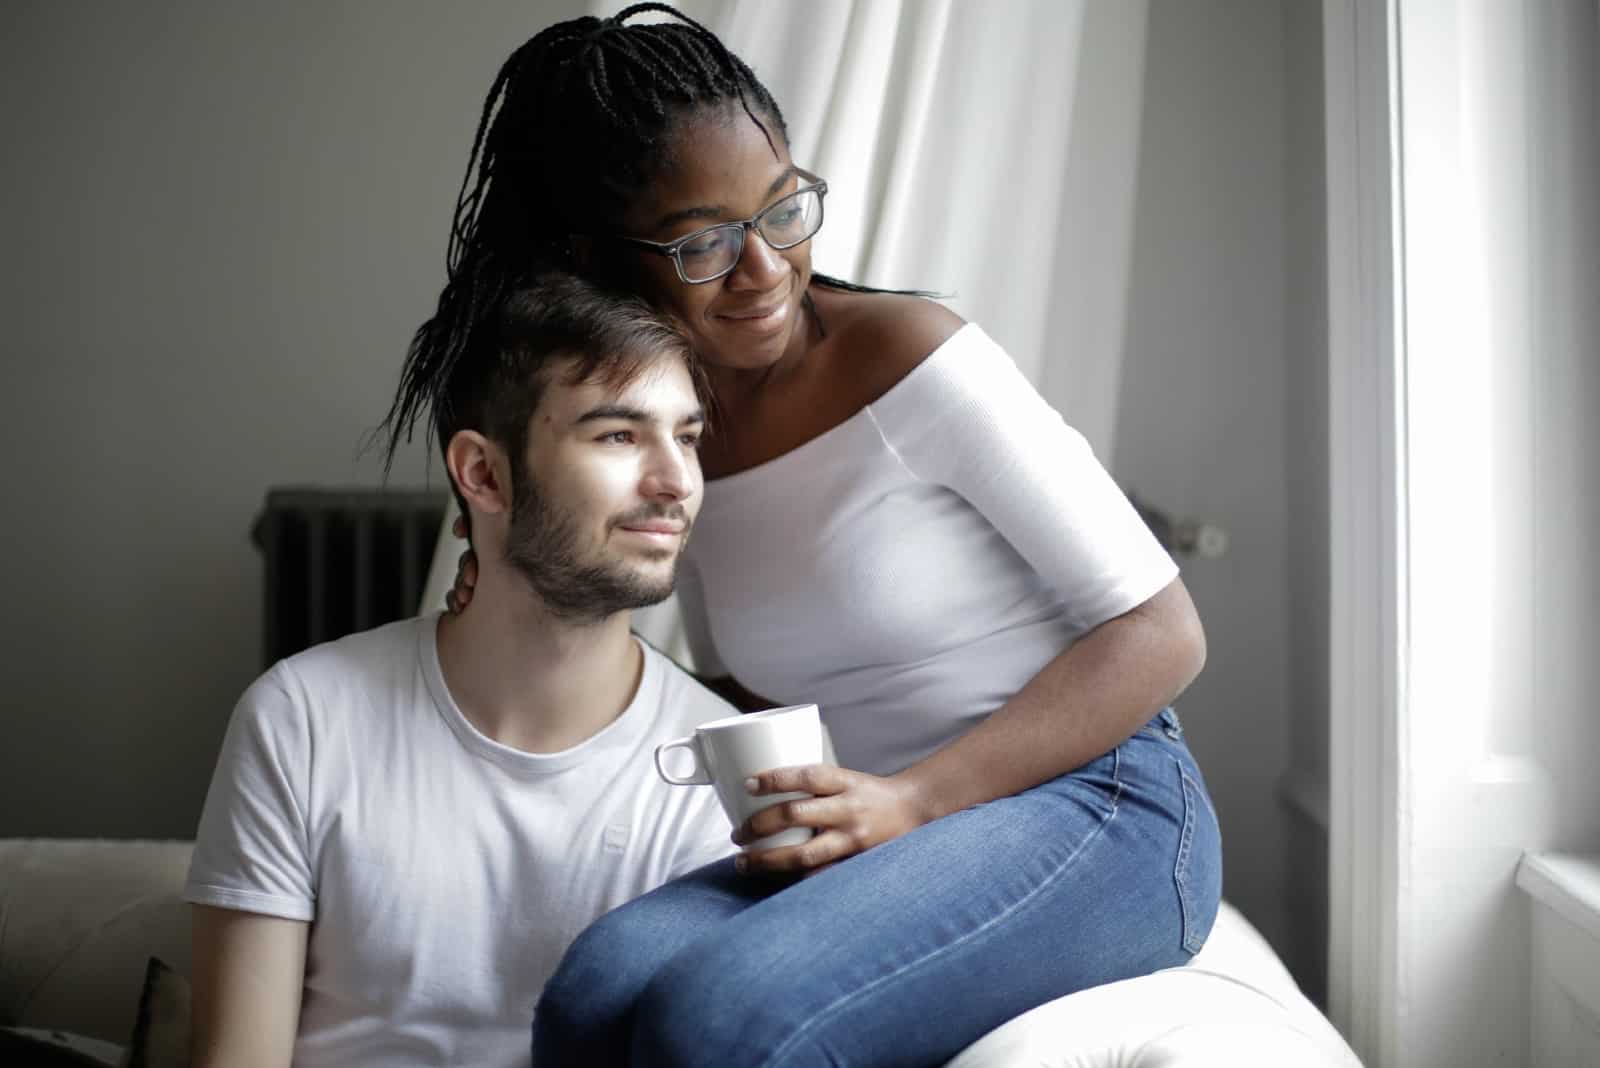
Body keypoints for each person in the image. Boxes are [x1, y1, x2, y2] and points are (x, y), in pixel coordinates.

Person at [416, 6, 1225, 1066]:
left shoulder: (913, 362)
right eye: (704, 239)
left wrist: (912, 800)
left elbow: (1164, 634)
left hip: (1103, 803)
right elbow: (749, 686)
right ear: (602, 260)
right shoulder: (671, 430)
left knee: (718, 1021)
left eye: (783, 207)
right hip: (875, 822)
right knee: (593, 995)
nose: (763, 267)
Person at [185, 275, 740, 1068]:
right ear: (482, 474)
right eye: (618, 435)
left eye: (685, 437)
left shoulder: (720, 765)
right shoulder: (303, 719)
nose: (675, 481)